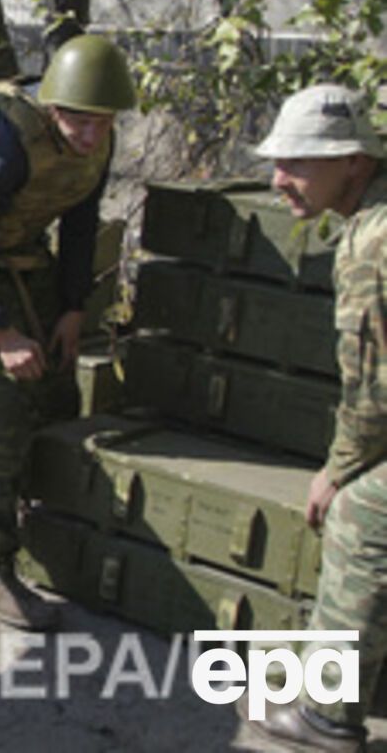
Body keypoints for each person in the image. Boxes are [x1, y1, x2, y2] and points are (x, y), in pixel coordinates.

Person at [0, 34, 135, 630]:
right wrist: (2, 334)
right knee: (5, 400)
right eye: (78, 121)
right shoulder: (6, 144)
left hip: (25, 253)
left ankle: (50, 530)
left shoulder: (96, 142)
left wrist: (72, 308)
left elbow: (80, 224)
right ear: (51, 110)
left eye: (103, 123)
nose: (91, 136)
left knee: (58, 388)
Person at [240, 84, 385, 753]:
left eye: (299, 162)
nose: (280, 178)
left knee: (361, 515)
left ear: (354, 162)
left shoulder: (372, 243)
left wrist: (337, 471)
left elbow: (372, 394)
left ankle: (326, 715)